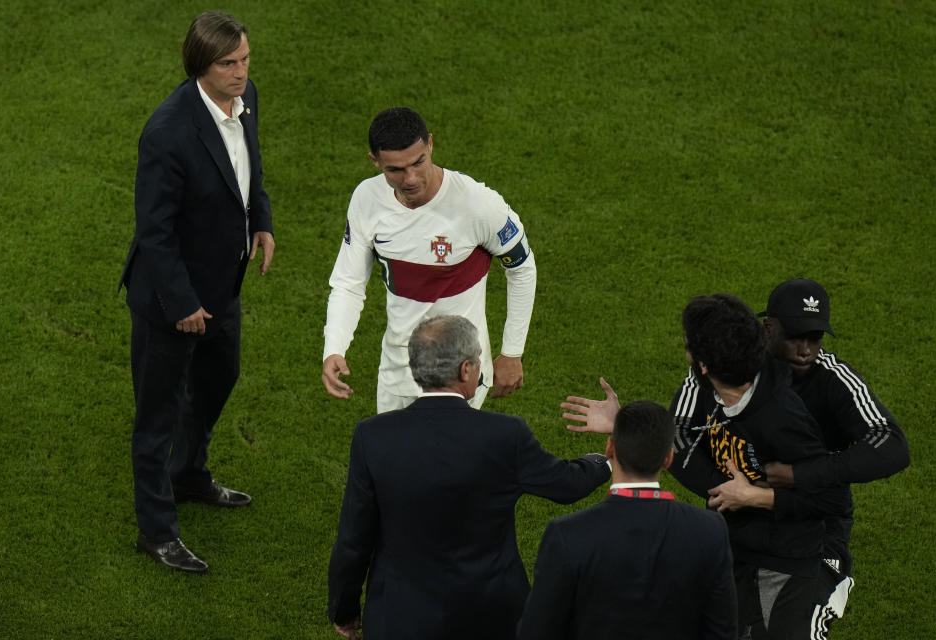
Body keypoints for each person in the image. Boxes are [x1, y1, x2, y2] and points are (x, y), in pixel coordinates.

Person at [561, 294, 850, 639]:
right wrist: (625, 423)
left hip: (796, 558)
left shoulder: (779, 418)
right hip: (739, 537)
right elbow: (682, 448)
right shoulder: (712, 392)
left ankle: (831, 578)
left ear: (704, 364)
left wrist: (756, 498)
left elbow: (834, 499)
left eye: (687, 347)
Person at [327, 315, 610, 640]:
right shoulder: (505, 435)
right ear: (465, 370)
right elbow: (567, 484)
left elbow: (353, 541)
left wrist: (344, 610)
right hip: (491, 617)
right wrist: (608, 459)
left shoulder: (373, 437)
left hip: (401, 618)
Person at [118, 10, 275, 574]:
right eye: (228, 64)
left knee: (217, 379)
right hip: (171, 300)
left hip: (221, 284)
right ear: (200, 66)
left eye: (245, 60)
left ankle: (188, 475)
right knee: (156, 416)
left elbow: (248, 167)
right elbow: (154, 233)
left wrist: (262, 219)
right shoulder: (168, 132)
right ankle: (155, 531)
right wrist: (183, 304)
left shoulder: (244, 96)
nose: (241, 72)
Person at [321, 107, 537, 412]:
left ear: (430, 145)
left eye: (418, 162)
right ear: (375, 161)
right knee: (394, 460)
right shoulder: (366, 200)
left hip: (460, 374)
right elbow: (348, 283)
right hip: (397, 369)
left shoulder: (477, 204)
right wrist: (334, 348)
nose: (410, 178)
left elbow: (522, 268)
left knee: (451, 460)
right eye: (395, 170)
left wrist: (512, 352)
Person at [753, 278, 910, 635]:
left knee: (798, 630)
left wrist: (804, 474)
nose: (806, 349)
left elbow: (893, 446)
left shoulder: (835, 379)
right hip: (744, 518)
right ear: (768, 328)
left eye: (815, 337)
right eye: (795, 336)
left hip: (818, 525)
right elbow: (687, 431)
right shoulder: (737, 371)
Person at [517, 400, 737, 640]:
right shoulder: (710, 531)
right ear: (668, 459)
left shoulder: (566, 535)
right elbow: (722, 631)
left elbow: (537, 632)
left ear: (610, 449)